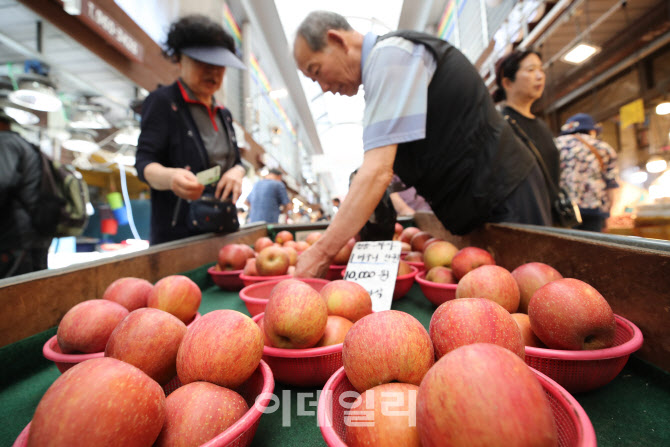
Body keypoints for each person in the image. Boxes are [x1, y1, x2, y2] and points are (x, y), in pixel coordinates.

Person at [291, 11, 551, 278]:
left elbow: (377, 172)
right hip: (483, 201)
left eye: (316, 71)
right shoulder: (383, 72)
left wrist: (321, 253)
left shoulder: (392, 56)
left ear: (336, 40)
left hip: (507, 194)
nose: (322, 87)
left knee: (532, 292)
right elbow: (409, 161)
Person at [135, 15, 247, 245]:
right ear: (178, 59)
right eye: (202, 63)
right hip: (178, 239)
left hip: (223, 231)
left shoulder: (223, 114)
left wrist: (237, 172)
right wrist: (170, 177)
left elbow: (236, 161)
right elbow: (144, 163)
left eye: (219, 66)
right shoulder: (163, 102)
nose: (213, 72)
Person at [494, 50, 560, 207]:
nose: (540, 76)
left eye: (541, 70)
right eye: (530, 70)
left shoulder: (542, 126)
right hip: (520, 219)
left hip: (549, 219)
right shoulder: (499, 125)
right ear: (507, 83)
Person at [0, 110, 51, 278]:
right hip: (35, 232)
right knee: (34, 291)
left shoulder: (5, 142)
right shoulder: (25, 144)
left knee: (13, 295)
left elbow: (3, 182)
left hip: (17, 237)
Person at [555, 113, 619, 232]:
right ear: (592, 131)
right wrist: (608, 214)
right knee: (591, 248)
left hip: (563, 209)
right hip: (594, 209)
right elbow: (611, 184)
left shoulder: (556, 145)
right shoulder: (604, 148)